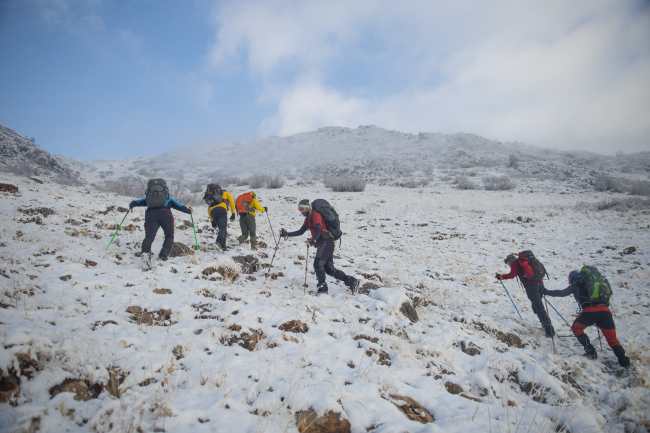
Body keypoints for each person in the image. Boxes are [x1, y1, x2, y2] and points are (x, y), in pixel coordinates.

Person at [544, 270, 630, 367]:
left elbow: (562, 293)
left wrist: (546, 291)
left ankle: (590, 351)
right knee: (612, 338)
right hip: (606, 311)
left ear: (572, 279)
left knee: (577, 328)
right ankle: (624, 361)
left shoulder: (576, 284)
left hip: (591, 310)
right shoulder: (596, 283)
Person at [280, 199, 360, 295]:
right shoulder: (308, 219)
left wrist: (313, 241)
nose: (301, 212)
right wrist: (286, 234)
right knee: (329, 269)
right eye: (299, 210)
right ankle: (352, 281)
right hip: (325, 244)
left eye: (302, 209)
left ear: (307, 207)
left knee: (318, 264)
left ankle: (322, 288)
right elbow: (300, 232)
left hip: (326, 243)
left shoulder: (316, 215)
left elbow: (318, 229)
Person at [129, 186, 193, 271]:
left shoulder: (150, 200)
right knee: (169, 235)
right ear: (165, 191)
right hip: (165, 214)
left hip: (151, 214)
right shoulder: (168, 199)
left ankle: (145, 253)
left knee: (149, 236)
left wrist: (132, 204)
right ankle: (163, 255)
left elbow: (136, 202)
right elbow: (180, 206)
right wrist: (189, 211)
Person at [497, 253, 555, 337]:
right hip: (540, 284)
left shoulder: (515, 263)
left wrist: (501, 276)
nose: (509, 265)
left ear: (510, 261)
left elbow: (512, 275)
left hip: (531, 286)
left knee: (539, 308)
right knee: (537, 307)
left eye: (508, 264)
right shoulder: (526, 263)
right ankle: (546, 326)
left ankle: (549, 331)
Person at [205, 186, 236, 252]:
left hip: (212, 212)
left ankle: (223, 247)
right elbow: (232, 202)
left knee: (222, 229)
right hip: (221, 210)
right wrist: (233, 214)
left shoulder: (213, 197)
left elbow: (208, 209)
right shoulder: (227, 193)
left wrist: (212, 221)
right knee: (223, 228)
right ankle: (218, 242)